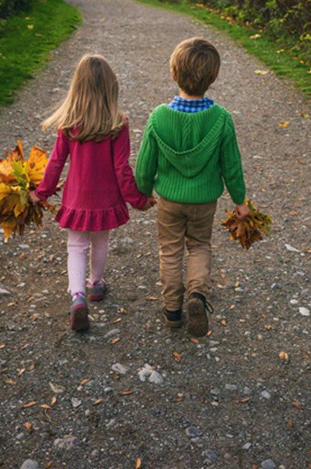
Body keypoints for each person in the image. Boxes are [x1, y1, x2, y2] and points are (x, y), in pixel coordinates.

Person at [30, 54, 155, 332]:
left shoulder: (70, 124)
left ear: (77, 87)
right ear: (111, 87)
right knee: (100, 241)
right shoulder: (117, 123)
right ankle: (96, 284)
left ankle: (78, 297)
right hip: (106, 198)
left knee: (76, 245)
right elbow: (122, 168)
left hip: (77, 197)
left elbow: (56, 161)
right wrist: (137, 199)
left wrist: (42, 192)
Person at [135, 37, 249, 337]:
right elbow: (232, 165)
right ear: (213, 78)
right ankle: (197, 295)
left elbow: (145, 163)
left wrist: (143, 193)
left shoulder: (158, 117)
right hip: (204, 201)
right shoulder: (221, 119)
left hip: (169, 201)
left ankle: (172, 309)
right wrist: (240, 201)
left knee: (170, 251)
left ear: (174, 73)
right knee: (199, 246)